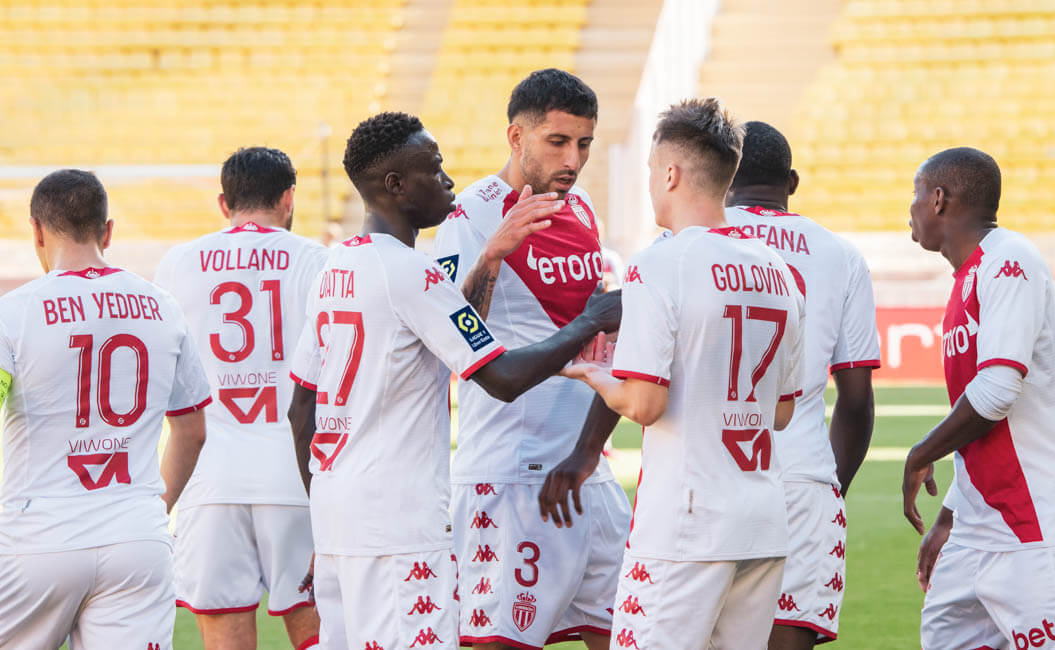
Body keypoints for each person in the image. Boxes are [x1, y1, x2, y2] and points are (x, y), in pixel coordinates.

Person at [285, 111, 622, 650]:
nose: (447, 179)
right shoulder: (414, 273)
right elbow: (502, 377)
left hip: (336, 519)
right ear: (396, 184)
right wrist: (589, 322)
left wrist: (324, 504)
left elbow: (301, 408)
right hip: (401, 523)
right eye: (433, 167)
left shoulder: (336, 268)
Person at [554, 98, 805, 649]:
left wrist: (593, 373)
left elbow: (645, 404)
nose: (649, 182)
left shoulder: (660, 263)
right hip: (762, 520)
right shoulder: (780, 271)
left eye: (650, 169)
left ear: (670, 173)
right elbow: (783, 412)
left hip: (687, 523)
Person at [433, 68, 631, 650]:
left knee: (634, 635)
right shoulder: (469, 215)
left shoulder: (583, 208)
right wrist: (492, 256)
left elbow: (594, 334)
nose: (574, 160)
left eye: (584, 143)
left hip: (585, 474)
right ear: (516, 137)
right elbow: (452, 337)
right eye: (558, 141)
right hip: (509, 476)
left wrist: (587, 452)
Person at [903, 147, 1055, 650]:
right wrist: (952, 513)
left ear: (938, 200)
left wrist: (920, 453)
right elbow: (990, 422)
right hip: (980, 526)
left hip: (1040, 518)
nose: (909, 208)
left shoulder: (1009, 261)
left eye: (915, 194)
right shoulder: (967, 277)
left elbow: (998, 391)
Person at [0, 170, 210, 648]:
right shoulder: (162, 307)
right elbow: (193, 430)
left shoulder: (15, 312)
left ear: (36, 231)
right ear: (108, 231)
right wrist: (150, 510)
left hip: (39, 536)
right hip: (135, 536)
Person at [154, 147, 327, 650]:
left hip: (210, 477)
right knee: (319, 633)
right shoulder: (318, 260)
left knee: (225, 637)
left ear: (223, 202)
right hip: (296, 476)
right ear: (288, 199)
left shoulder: (179, 263)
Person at [725, 121, 878, 648]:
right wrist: (828, 486)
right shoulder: (841, 255)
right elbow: (855, 401)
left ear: (722, 177)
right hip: (802, 476)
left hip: (707, 477)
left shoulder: (689, 241)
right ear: (791, 182)